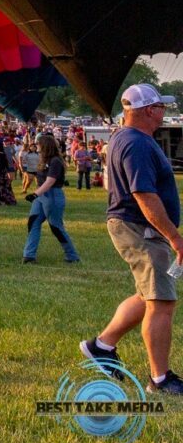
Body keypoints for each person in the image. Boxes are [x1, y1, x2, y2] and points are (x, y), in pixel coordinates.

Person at [81, 84, 183, 394]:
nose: (164, 112)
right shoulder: (137, 143)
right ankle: (160, 379)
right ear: (149, 110)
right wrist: (175, 238)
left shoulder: (125, 138)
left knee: (149, 295)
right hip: (140, 227)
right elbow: (143, 194)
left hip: (133, 225)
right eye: (160, 107)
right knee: (162, 301)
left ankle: (101, 345)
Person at [23, 132, 78, 264]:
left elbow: (50, 181)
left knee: (56, 227)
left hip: (52, 196)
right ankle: (29, 256)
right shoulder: (44, 160)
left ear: (46, 146)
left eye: (38, 144)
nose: (36, 146)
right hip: (42, 195)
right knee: (33, 223)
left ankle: (72, 256)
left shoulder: (55, 161)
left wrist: (35, 194)